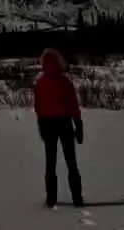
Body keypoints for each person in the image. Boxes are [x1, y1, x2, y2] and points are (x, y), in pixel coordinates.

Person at [32, 47, 84, 208]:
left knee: (50, 161)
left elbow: (38, 107)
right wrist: (78, 124)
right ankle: (77, 198)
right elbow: (74, 105)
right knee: (71, 161)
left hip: (47, 124)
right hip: (65, 123)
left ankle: (51, 199)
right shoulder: (65, 82)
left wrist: (40, 125)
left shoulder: (39, 83)